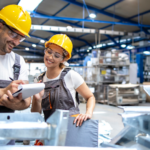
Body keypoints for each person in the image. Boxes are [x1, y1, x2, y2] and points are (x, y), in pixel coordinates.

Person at [31, 34, 95, 128]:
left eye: (56, 55)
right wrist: (37, 100)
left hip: (73, 128)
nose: (50, 57)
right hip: (51, 131)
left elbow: (90, 97)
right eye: (49, 52)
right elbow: (35, 115)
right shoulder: (39, 80)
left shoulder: (71, 76)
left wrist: (88, 113)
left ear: (63, 59)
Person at [0, 4, 32, 145]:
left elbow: (27, 102)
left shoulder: (18, 62)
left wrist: (16, 104)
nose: (17, 42)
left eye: (21, 38)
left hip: (6, 136)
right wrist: (3, 92)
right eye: (13, 35)